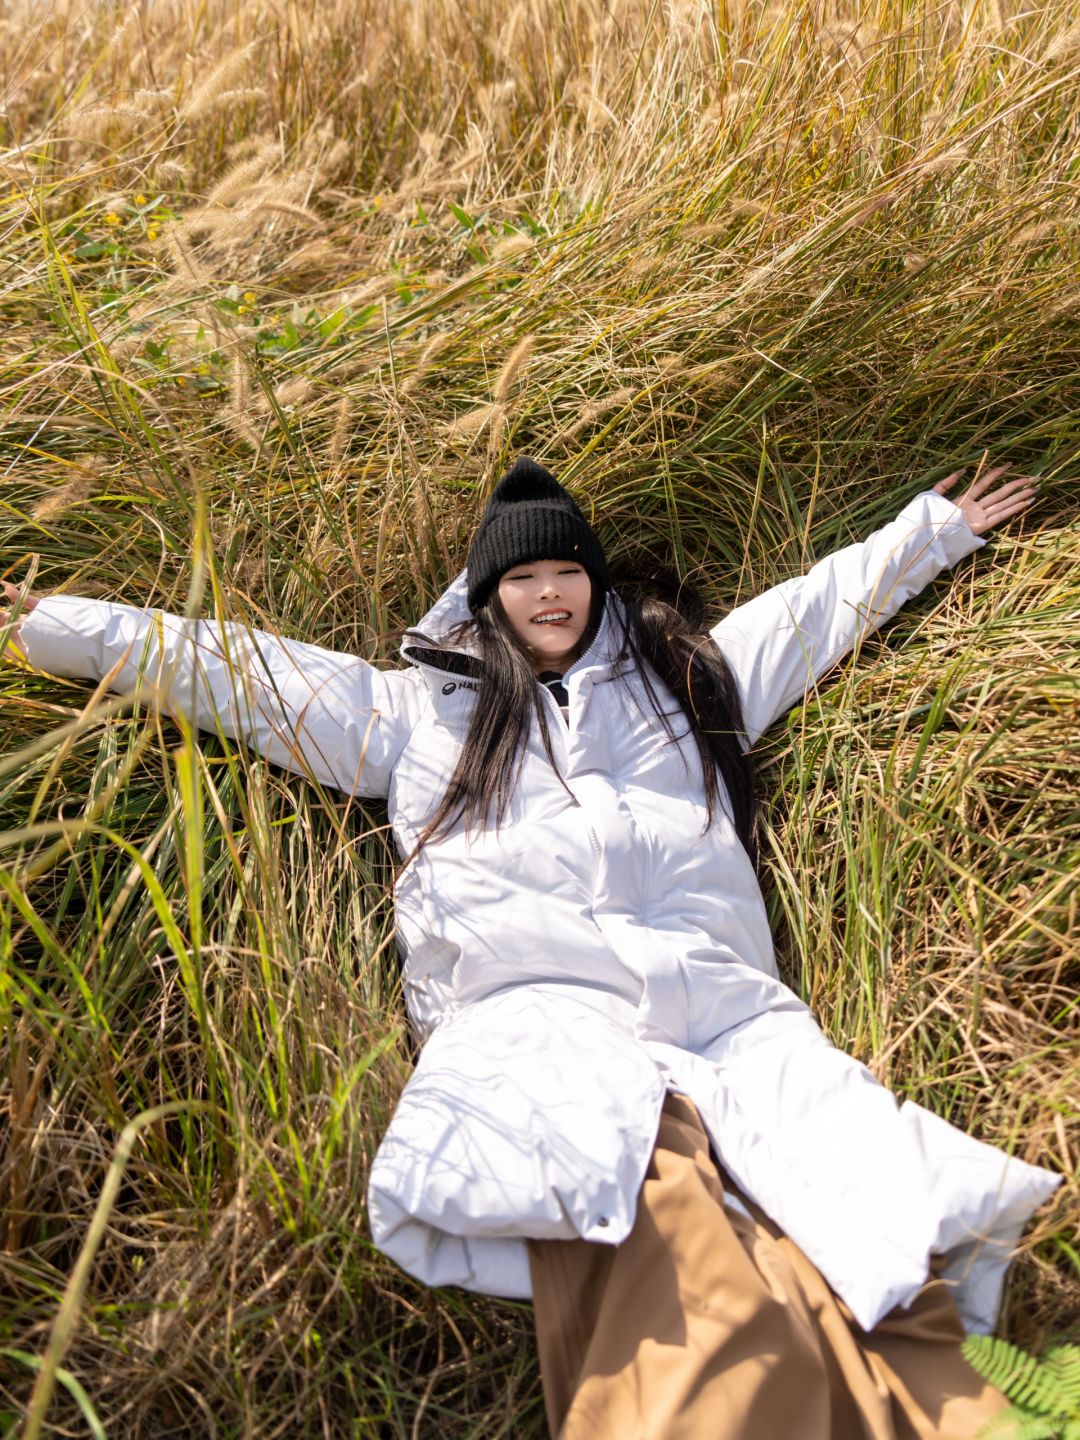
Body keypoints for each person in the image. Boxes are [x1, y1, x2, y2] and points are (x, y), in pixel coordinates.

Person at [2, 457, 1062, 1439]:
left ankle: (960, 1412)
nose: (550, 593)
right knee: (681, 1244)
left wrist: (937, 530)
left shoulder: (683, 682)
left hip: (730, 1018)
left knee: (860, 1228)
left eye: (568, 570)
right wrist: (54, 627)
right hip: (539, 1025)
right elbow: (230, 671)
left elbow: (814, 615)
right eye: (524, 576)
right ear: (487, 594)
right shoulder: (414, 711)